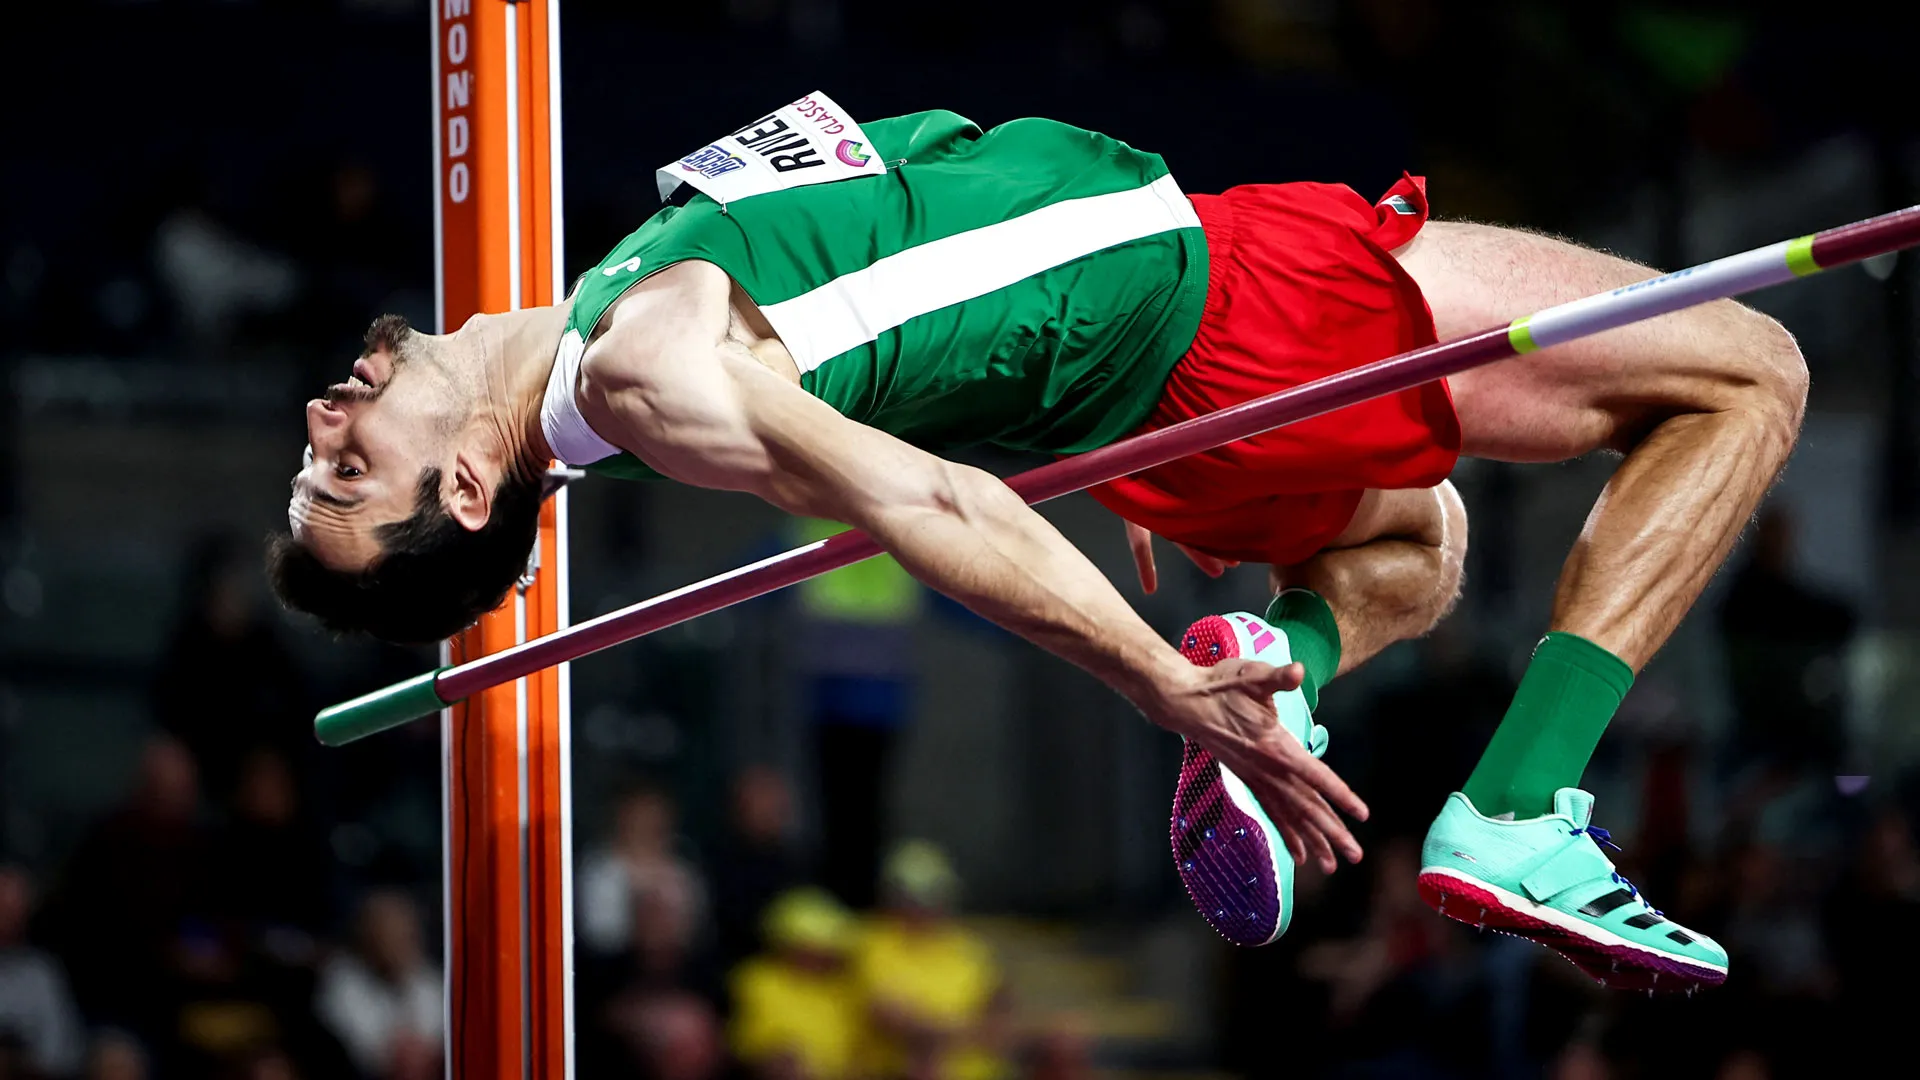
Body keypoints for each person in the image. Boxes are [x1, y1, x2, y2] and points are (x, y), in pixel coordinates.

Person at [267, 99, 1806, 990]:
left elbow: (908, 280)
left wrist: (1089, 424)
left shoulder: (609, 307)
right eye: (344, 477)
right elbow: (934, 508)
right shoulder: (644, 371)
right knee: (1745, 371)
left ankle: (1286, 662)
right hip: (1225, 303)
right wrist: (1157, 681)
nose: (325, 425)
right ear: (467, 489)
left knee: (1420, 544)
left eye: (314, 460)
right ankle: (1518, 809)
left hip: (1150, 379)